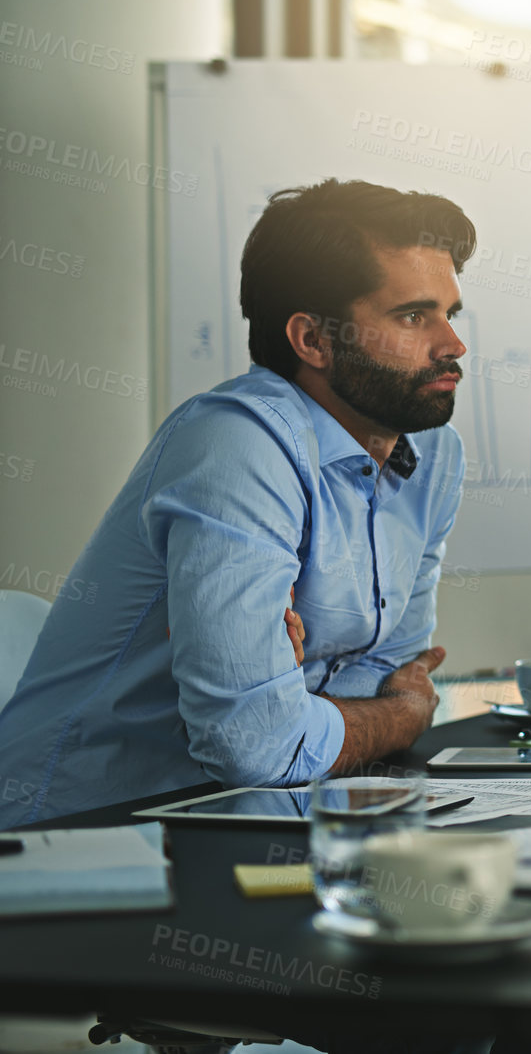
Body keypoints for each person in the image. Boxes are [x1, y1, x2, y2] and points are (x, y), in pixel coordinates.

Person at [0, 180, 474, 827]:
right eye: (414, 316)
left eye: (451, 312)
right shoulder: (238, 444)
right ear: (311, 340)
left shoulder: (433, 455)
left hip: (257, 812)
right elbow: (253, 741)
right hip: (88, 840)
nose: (452, 344)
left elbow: (388, 667)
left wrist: (313, 704)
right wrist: (396, 718)